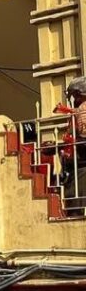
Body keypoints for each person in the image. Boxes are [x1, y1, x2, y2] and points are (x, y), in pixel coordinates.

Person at [60, 77, 86, 216]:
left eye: (75, 96)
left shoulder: (82, 109)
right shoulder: (77, 111)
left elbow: (83, 134)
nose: (74, 99)